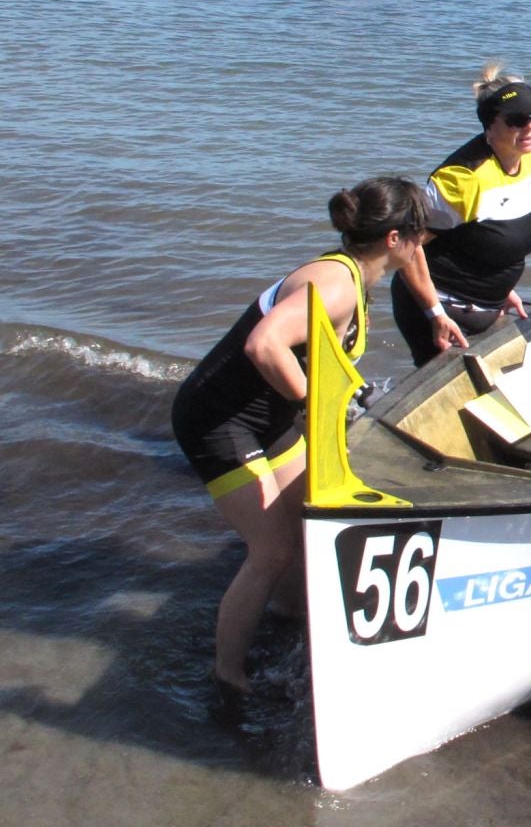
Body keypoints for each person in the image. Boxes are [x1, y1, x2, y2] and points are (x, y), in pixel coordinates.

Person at [171, 177, 430, 696]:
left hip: (270, 415)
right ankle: (228, 676)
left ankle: (287, 615)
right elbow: (264, 346)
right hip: (219, 420)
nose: (426, 244)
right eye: (421, 234)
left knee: (306, 522)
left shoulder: (355, 274)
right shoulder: (335, 287)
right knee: (270, 550)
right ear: (395, 240)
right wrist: (317, 402)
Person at [391, 66, 531, 367]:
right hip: (444, 312)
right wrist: (435, 314)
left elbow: (490, 234)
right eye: (516, 120)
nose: (530, 127)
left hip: (490, 304)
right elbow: (406, 248)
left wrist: (503, 289)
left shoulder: (526, 158)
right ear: (489, 126)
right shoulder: (462, 179)